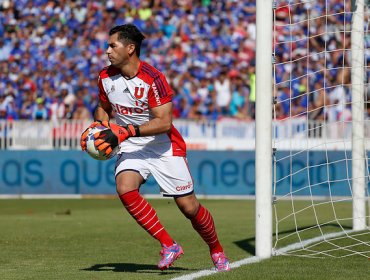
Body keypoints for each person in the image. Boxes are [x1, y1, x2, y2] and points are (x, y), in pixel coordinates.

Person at [80, 24, 230, 272]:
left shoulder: (153, 78)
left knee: (189, 207)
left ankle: (217, 250)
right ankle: (169, 244)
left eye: (112, 45)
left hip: (163, 146)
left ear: (130, 48)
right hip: (131, 146)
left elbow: (164, 122)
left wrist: (127, 131)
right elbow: (103, 108)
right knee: (125, 187)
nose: (107, 51)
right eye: (108, 46)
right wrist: (98, 129)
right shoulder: (105, 77)